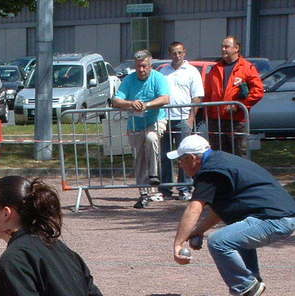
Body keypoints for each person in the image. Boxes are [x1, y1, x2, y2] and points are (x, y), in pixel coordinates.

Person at [168, 134, 295, 296]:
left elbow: (194, 208)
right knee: (234, 230)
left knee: (219, 241)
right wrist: (199, 230)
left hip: (275, 220)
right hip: (280, 217)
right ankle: (252, 282)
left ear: (192, 158)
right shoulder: (219, 162)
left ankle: (247, 287)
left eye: (181, 160)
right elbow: (220, 210)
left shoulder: (210, 172)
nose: (180, 164)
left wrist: (178, 244)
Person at [112, 50, 170, 207]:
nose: (141, 70)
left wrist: (148, 104)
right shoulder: (129, 80)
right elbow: (116, 100)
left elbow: (165, 98)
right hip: (135, 124)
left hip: (156, 120)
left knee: (151, 138)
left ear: (150, 66)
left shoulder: (159, 78)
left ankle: (154, 174)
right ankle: (143, 194)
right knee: (139, 157)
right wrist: (131, 103)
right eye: (138, 67)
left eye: (144, 66)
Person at [201, 36, 264, 157]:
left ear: (236, 48)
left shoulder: (247, 67)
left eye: (226, 46)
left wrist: (240, 106)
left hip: (237, 120)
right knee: (218, 156)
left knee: (239, 155)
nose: (223, 49)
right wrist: (207, 115)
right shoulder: (215, 69)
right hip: (216, 121)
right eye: (222, 47)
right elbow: (208, 94)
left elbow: (258, 91)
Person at [158, 42, 204, 200]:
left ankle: (185, 188)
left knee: (185, 155)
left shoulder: (192, 72)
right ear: (169, 54)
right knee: (164, 155)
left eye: (179, 52)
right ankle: (166, 189)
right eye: (173, 53)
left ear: (184, 53)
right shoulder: (163, 72)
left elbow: (197, 96)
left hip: (183, 118)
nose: (177, 56)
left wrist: (191, 118)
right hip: (164, 118)